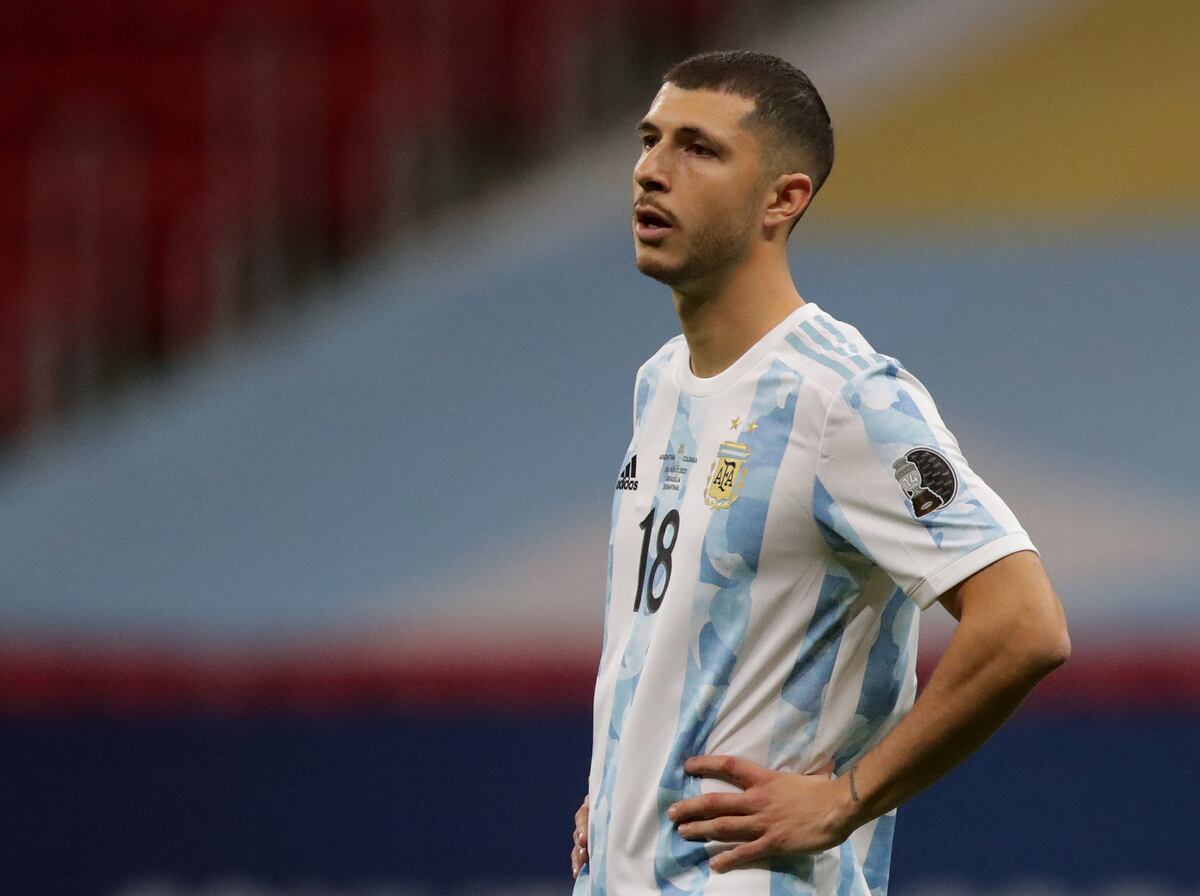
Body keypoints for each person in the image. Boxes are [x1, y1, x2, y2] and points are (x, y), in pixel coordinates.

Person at [569, 50, 1070, 895]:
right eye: (650, 140)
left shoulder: (846, 399)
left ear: (784, 198)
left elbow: (1024, 624)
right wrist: (622, 796)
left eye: (699, 148)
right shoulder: (660, 383)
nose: (652, 170)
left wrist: (846, 800)